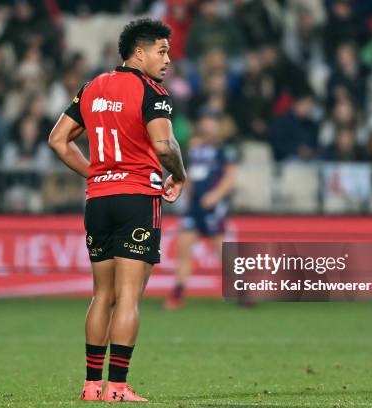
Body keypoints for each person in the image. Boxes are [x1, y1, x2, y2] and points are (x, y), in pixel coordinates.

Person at [48, 19, 186, 402]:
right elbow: (164, 146)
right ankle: (118, 387)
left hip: (98, 201)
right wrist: (180, 174)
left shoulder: (92, 87)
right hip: (138, 199)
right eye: (162, 51)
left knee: (101, 295)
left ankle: (92, 385)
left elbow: (58, 140)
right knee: (128, 298)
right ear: (138, 53)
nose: (168, 59)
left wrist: (96, 173)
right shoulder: (152, 92)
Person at [164, 112, 236, 310]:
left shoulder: (224, 151)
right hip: (194, 208)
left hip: (213, 207)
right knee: (183, 249)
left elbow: (230, 177)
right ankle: (177, 293)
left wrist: (215, 196)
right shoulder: (192, 149)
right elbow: (185, 174)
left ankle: (240, 290)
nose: (208, 129)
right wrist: (186, 196)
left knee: (222, 250)